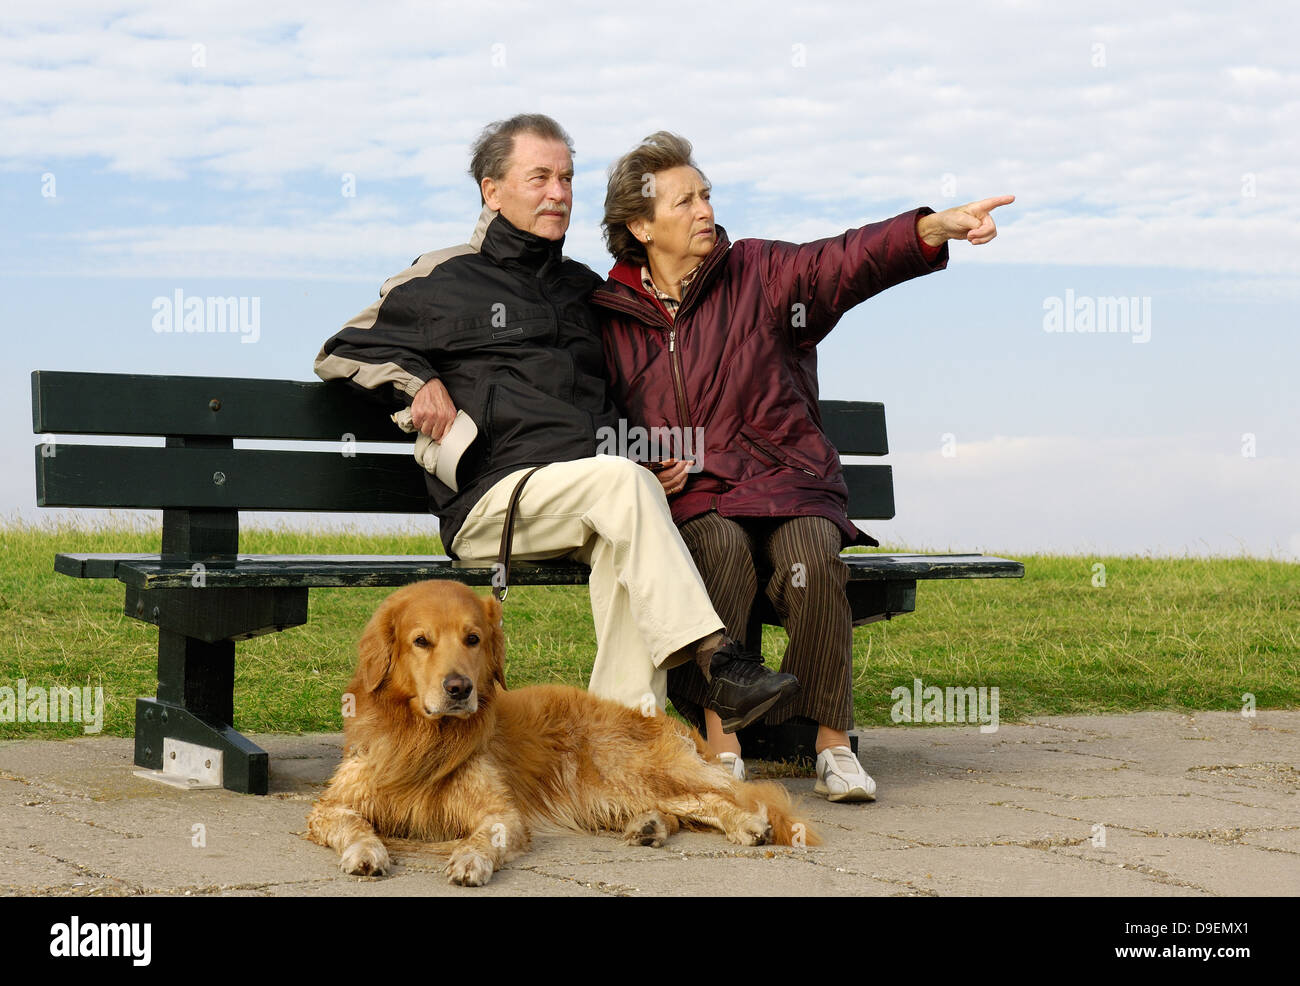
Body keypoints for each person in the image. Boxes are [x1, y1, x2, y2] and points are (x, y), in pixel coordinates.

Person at [313, 115, 798, 730]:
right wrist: (420, 381)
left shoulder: (583, 291)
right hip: (492, 502)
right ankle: (715, 660)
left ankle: (617, 744)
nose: (559, 193)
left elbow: (622, 398)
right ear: (492, 191)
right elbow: (341, 349)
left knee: (626, 548)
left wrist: (645, 461)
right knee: (621, 486)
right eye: (539, 177)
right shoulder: (442, 278)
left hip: (585, 498)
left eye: (566, 178)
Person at [593, 131, 1013, 801]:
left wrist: (930, 229)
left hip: (789, 483)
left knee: (816, 556)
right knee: (717, 551)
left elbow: (842, 262)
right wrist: (638, 462)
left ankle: (832, 744)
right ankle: (719, 741)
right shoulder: (608, 317)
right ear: (640, 226)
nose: (705, 210)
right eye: (685, 201)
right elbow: (591, 417)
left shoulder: (759, 271)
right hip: (697, 497)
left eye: (706, 195)